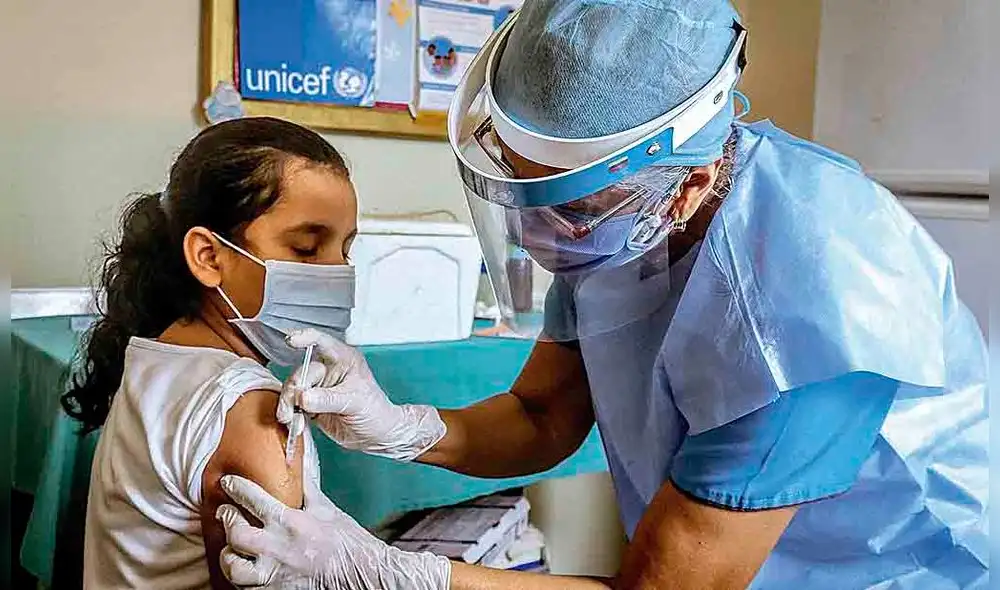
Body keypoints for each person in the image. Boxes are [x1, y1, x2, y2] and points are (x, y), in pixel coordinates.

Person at [215, 0, 989, 588]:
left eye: (571, 207)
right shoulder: (621, 224)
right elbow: (542, 415)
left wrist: (390, 572)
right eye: (522, 193)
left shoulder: (810, 309)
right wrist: (403, 427)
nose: (535, 236)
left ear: (686, 186)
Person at [62, 117, 445, 589]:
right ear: (208, 256)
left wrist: (403, 430)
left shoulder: (156, 350)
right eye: (307, 248)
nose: (336, 274)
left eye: (345, 249)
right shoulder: (253, 414)